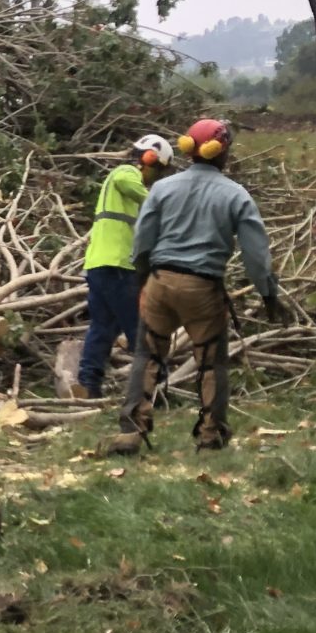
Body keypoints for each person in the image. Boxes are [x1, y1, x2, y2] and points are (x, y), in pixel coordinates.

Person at [112, 117, 286, 454]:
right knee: (210, 363)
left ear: (189, 149)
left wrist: (144, 279)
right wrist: (267, 294)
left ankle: (131, 431)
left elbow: (143, 241)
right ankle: (210, 437)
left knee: (147, 356)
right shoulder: (236, 195)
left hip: (161, 282)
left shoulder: (163, 188)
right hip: (202, 289)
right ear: (221, 152)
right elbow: (256, 254)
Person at [73, 133, 175, 399]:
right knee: (140, 327)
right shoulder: (125, 172)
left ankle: (88, 384)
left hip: (99, 265)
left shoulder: (135, 194)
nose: (156, 178)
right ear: (149, 159)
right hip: (116, 266)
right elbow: (130, 186)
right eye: (158, 170)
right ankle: (153, 391)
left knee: (103, 327)